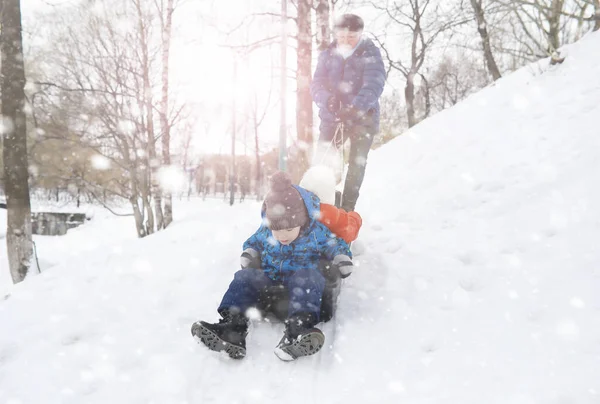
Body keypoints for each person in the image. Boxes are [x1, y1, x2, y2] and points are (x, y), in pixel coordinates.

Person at [191, 172, 353, 361]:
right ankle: (232, 330)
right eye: (276, 231)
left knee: (308, 276)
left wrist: (341, 258)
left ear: (301, 222)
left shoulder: (316, 232)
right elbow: (253, 242)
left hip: (300, 293)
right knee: (245, 277)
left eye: (289, 230)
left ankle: (297, 333)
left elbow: (336, 245)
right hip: (269, 289)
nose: (282, 236)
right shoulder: (266, 230)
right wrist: (249, 252)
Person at [310, 13, 386, 212]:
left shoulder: (370, 53)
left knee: (356, 163)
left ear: (360, 34)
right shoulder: (327, 54)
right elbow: (316, 84)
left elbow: (374, 84)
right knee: (323, 161)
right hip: (333, 116)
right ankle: (324, 205)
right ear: (336, 34)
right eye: (342, 36)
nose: (346, 41)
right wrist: (329, 100)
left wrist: (355, 107)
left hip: (363, 118)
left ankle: (347, 208)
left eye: (351, 37)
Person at [299, 165, 362, 244]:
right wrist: (355, 217)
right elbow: (349, 231)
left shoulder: (295, 209)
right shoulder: (332, 216)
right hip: (323, 253)